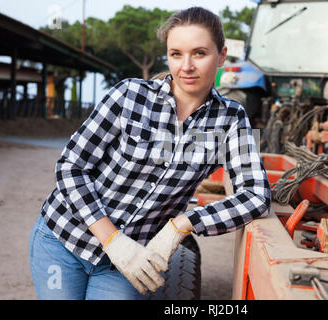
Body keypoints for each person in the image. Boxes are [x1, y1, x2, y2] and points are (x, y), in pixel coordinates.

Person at [29, 6, 271, 300]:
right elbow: (71, 167)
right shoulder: (129, 95)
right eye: (176, 54)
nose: (186, 66)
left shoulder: (232, 119)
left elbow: (256, 195)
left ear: (221, 56)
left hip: (132, 263)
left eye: (200, 53)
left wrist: (181, 225)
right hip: (64, 240)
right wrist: (113, 241)